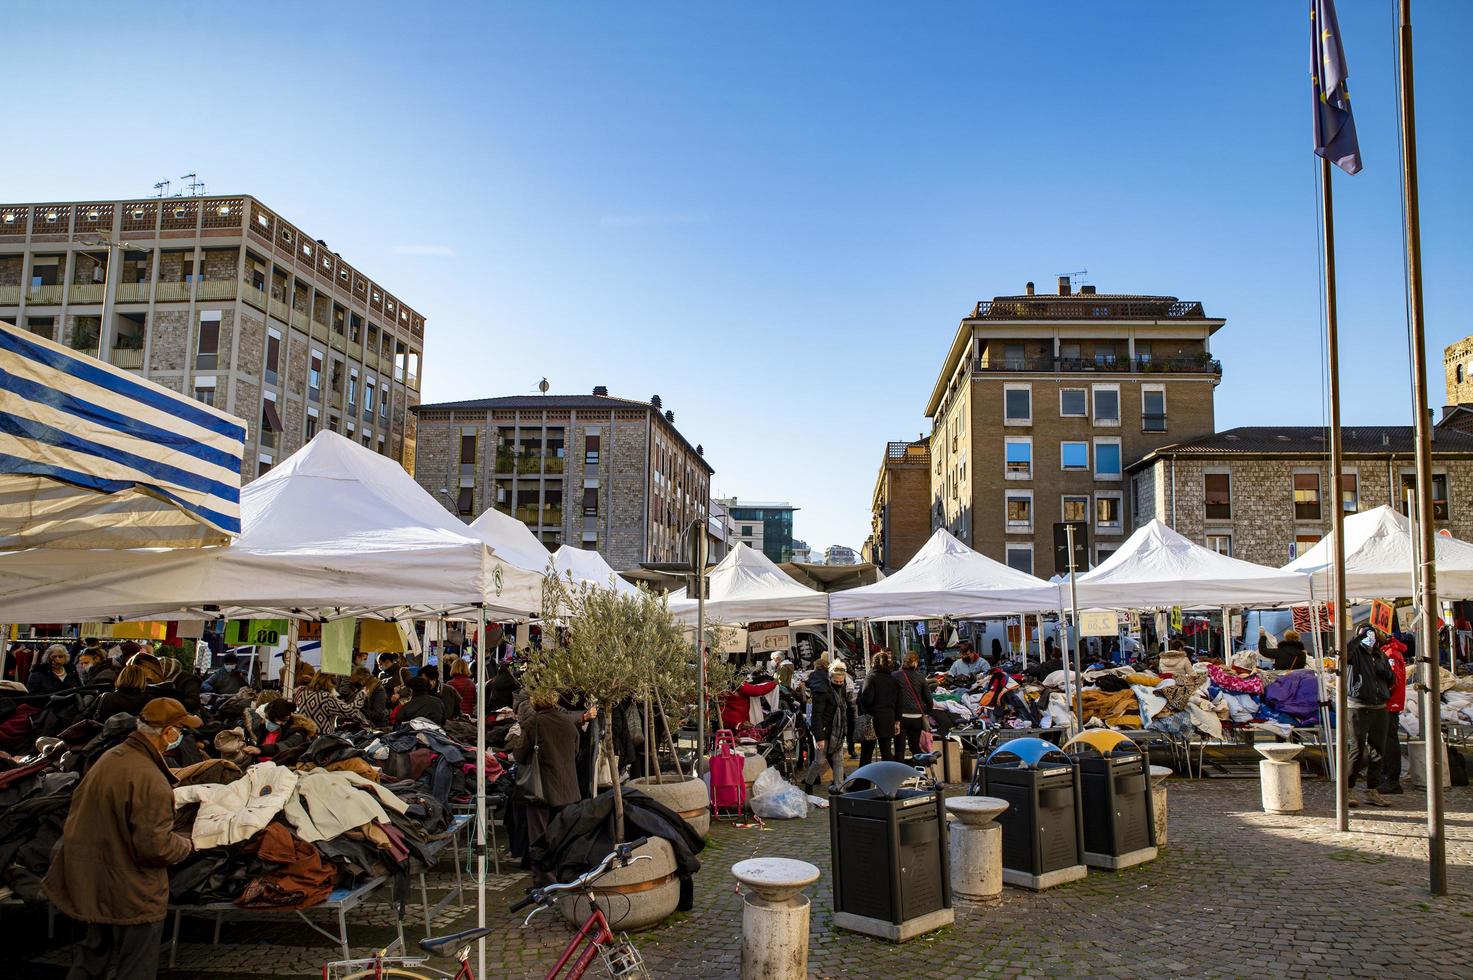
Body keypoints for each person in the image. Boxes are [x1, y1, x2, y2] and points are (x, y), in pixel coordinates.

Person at [43, 698, 198, 980]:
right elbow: (156, 847)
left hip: (95, 879)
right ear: (168, 732)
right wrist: (187, 843)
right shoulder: (150, 778)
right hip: (131, 888)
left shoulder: (112, 757)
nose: (181, 737)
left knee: (91, 958)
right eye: (180, 729)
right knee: (135, 967)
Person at [514, 690, 597, 884]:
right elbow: (576, 750)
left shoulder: (533, 723)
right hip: (567, 786)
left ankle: (545, 878)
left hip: (540, 788)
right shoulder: (569, 721)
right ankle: (564, 872)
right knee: (564, 832)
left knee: (539, 836)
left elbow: (519, 754)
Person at [1345, 628, 1394, 808]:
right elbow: (1344, 653)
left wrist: (1383, 672)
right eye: (1367, 635)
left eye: (1372, 635)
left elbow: (1391, 678)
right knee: (1357, 748)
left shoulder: (1379, 654)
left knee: (1378, 750)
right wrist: (1358, 638)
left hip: (1379, 705)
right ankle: (1347, 788)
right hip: (1358, 706)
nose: (1371, 638)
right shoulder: (1355, 653)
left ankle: (1372, 790)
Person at [802, 660, 851, 795]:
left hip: (837, 730)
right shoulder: (821, 692)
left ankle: (839, 788)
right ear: (830, 679)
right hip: (823, 730)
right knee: (819, 760)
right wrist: (819, 738)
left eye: (842, 682)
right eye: (837, 681)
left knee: (838, 760)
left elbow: (844, 709)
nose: (839, 684)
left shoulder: (841, 689)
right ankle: (808, 783)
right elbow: (816, 715)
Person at [1378, 635, 1409, 795]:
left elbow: (1393, 680)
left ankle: (1392, 779)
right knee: (1385, 741)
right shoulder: (1388, 652)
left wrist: (1379, 692)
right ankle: (1386, 776)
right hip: (1387, 702)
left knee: (1389, 741)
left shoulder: (1391, 654)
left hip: (1389, 704)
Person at [858, 650, 900, 766]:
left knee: (866, 754)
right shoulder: (893, 680)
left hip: (871, 720)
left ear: (873, 663)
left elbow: (867, 699)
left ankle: (863, 782)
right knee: (886, 753)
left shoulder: (871, 678)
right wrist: (897, 721)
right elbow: (899, 702)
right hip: (888, 719)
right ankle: (889, 780)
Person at [294, 671, 370, 733]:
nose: (335, 686)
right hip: (321, 738)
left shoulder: (301, 692)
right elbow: (349, 711)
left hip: (303, 735)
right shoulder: (326, 698)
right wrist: (361, 695)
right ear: (329, 682)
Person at [895, 651, 933, 765]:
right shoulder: (921, 677)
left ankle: (898, 773)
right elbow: (929, 700)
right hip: (916, 717)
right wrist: (926, 711)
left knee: (899, 749)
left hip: (900, 717)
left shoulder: (895, 676)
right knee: (915, 747)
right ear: (916, 663)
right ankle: (917, 771)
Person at [252, 698, 315, 763]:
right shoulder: (264, 729)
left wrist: (261, 750)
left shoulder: (298, 733)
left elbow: (285, 746)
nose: (268, 722)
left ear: (285, 718)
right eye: (267, 718)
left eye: (272, 720)